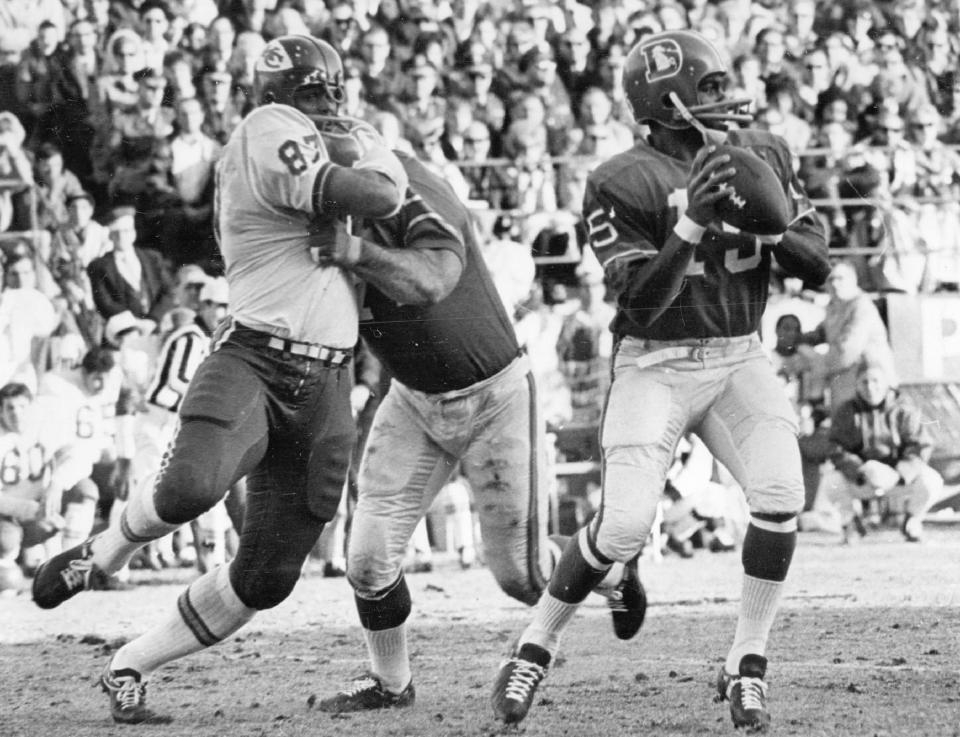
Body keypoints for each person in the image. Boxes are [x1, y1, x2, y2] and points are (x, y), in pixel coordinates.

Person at [30, 34, 409, 725]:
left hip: (327, 381)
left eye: (333, 95)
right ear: (287, 98)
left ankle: (128, 664)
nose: (329, 108)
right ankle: (104, 549)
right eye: (317, 95)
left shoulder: (304, 135)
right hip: (257, 356)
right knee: (190, 487)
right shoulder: (268, 128)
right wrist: (379, 148)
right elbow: (376, 194)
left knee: (265, 578)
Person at [491, 30, 831, 732]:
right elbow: (640, 301)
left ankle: (747, 661)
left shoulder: (762, 151)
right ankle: (536, 642)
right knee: (620, 527)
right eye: (709, 88)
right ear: (666, 100)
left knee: (781, 493)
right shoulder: (620, 177)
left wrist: (762, 221)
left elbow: (818, 262)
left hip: (738, 353)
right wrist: (692, 221)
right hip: (655, 358)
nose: (725, 98)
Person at [315, 149, 637, 713]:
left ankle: (608, 571)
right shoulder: (305, 221)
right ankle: (390, 681)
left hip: (494, 394)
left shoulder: (405, 184)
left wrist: (356, 253)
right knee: (366, 561)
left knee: (526, 576)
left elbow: (433, 279)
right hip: (413, 399)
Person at [823, 357, 945, 544]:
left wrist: (899, 473)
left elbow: (920, 446)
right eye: (864, 382)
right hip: (863, 479)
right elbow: (835, 447)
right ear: (857, 384)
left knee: (932, 481)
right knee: (831, 482)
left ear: (887, 383)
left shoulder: (905, 410)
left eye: (875, 381)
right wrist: (859, 470)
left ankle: (911, 521)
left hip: (898, 480)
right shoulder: (846, 411)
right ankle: (851, 524)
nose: (870, 387)